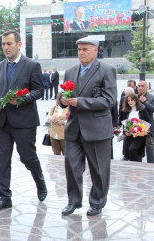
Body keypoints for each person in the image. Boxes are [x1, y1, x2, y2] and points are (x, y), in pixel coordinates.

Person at [0, 30, 47, 211]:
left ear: (19, 44)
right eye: (3, 44)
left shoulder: (32, 65)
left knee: (27, 157)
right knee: (3, 160)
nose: (6, 47)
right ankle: (4, 197)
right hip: (2, 122)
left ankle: (40, 181)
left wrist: (21, 99)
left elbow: (39, 91)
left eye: (9, 44)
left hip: (24, 122)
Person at [60, 36, 117, 216]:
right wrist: (62, 100)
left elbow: (109, 100)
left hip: (97, 129)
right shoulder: (70, 71)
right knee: (72, 166)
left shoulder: (107, 70)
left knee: (99, 169)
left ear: (95, 50)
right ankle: (74, 201)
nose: (81, 53)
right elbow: (63, 95)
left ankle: (97, 202)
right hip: (74, 128)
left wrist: (81, 102)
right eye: (79, 49)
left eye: (85, 49)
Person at [119, 93, 151, 162]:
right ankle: (136, 168)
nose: (130, 102)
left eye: (132, 100)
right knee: (131, 153)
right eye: (128, 100)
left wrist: (143, 131)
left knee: (132, 149)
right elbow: (124, 123)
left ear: (135, 100)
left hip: (139, 135)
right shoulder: (126, 111)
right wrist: (125, 132)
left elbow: (148, 121)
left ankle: (137, 165)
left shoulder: (142, 108)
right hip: (130, 135)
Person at [138, 80, 154, 164]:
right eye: (139, 86)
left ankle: (151, 166)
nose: (140, 88)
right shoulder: (134, 97)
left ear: (147, 87)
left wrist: (145, 102)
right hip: (136, 127)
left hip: (149, 127)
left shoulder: (152, 97)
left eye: (142, 86)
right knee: (137, 149)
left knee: (149, 149)